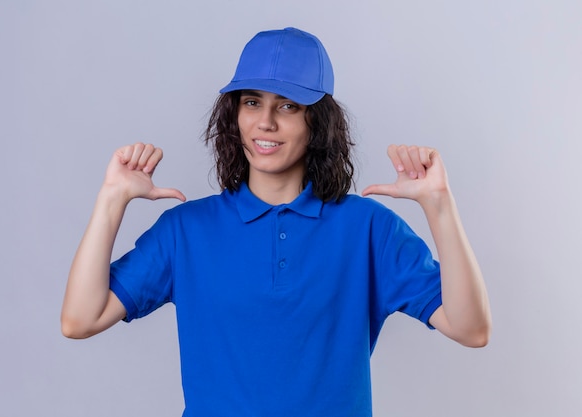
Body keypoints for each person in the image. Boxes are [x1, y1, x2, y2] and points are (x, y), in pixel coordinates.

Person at [61, 27, 491, 416]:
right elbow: (80, 320)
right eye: (252, 102)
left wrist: (439, 205)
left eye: (288, 105)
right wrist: (111, 200)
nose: (265, 121)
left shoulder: (368, 229)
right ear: (234, 114)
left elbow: (471, 329)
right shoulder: (186, 231)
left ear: (317, 122)